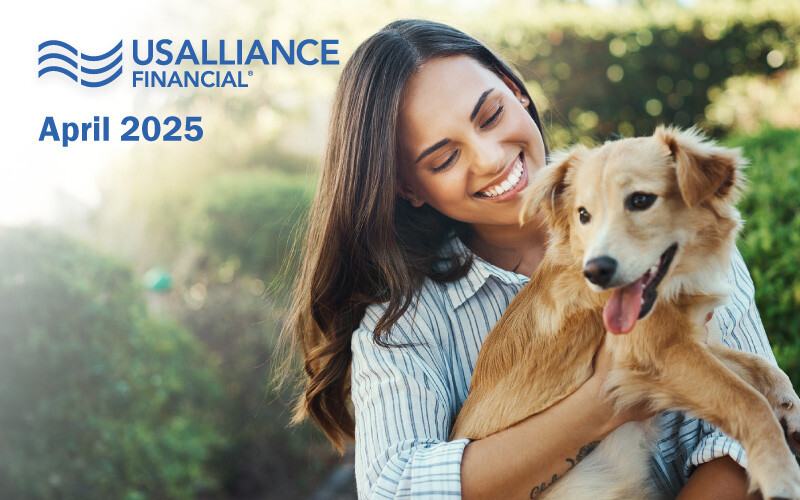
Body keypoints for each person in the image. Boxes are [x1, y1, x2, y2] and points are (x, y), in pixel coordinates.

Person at [283, 19, 774, 499]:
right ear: (407, 187)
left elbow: (751, 443)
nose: (491, 158)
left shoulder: (673, 228)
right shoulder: (404, 327)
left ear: (517, 91)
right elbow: (397, 489)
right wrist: (603, 401)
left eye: (490, 115)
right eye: (443, 159)